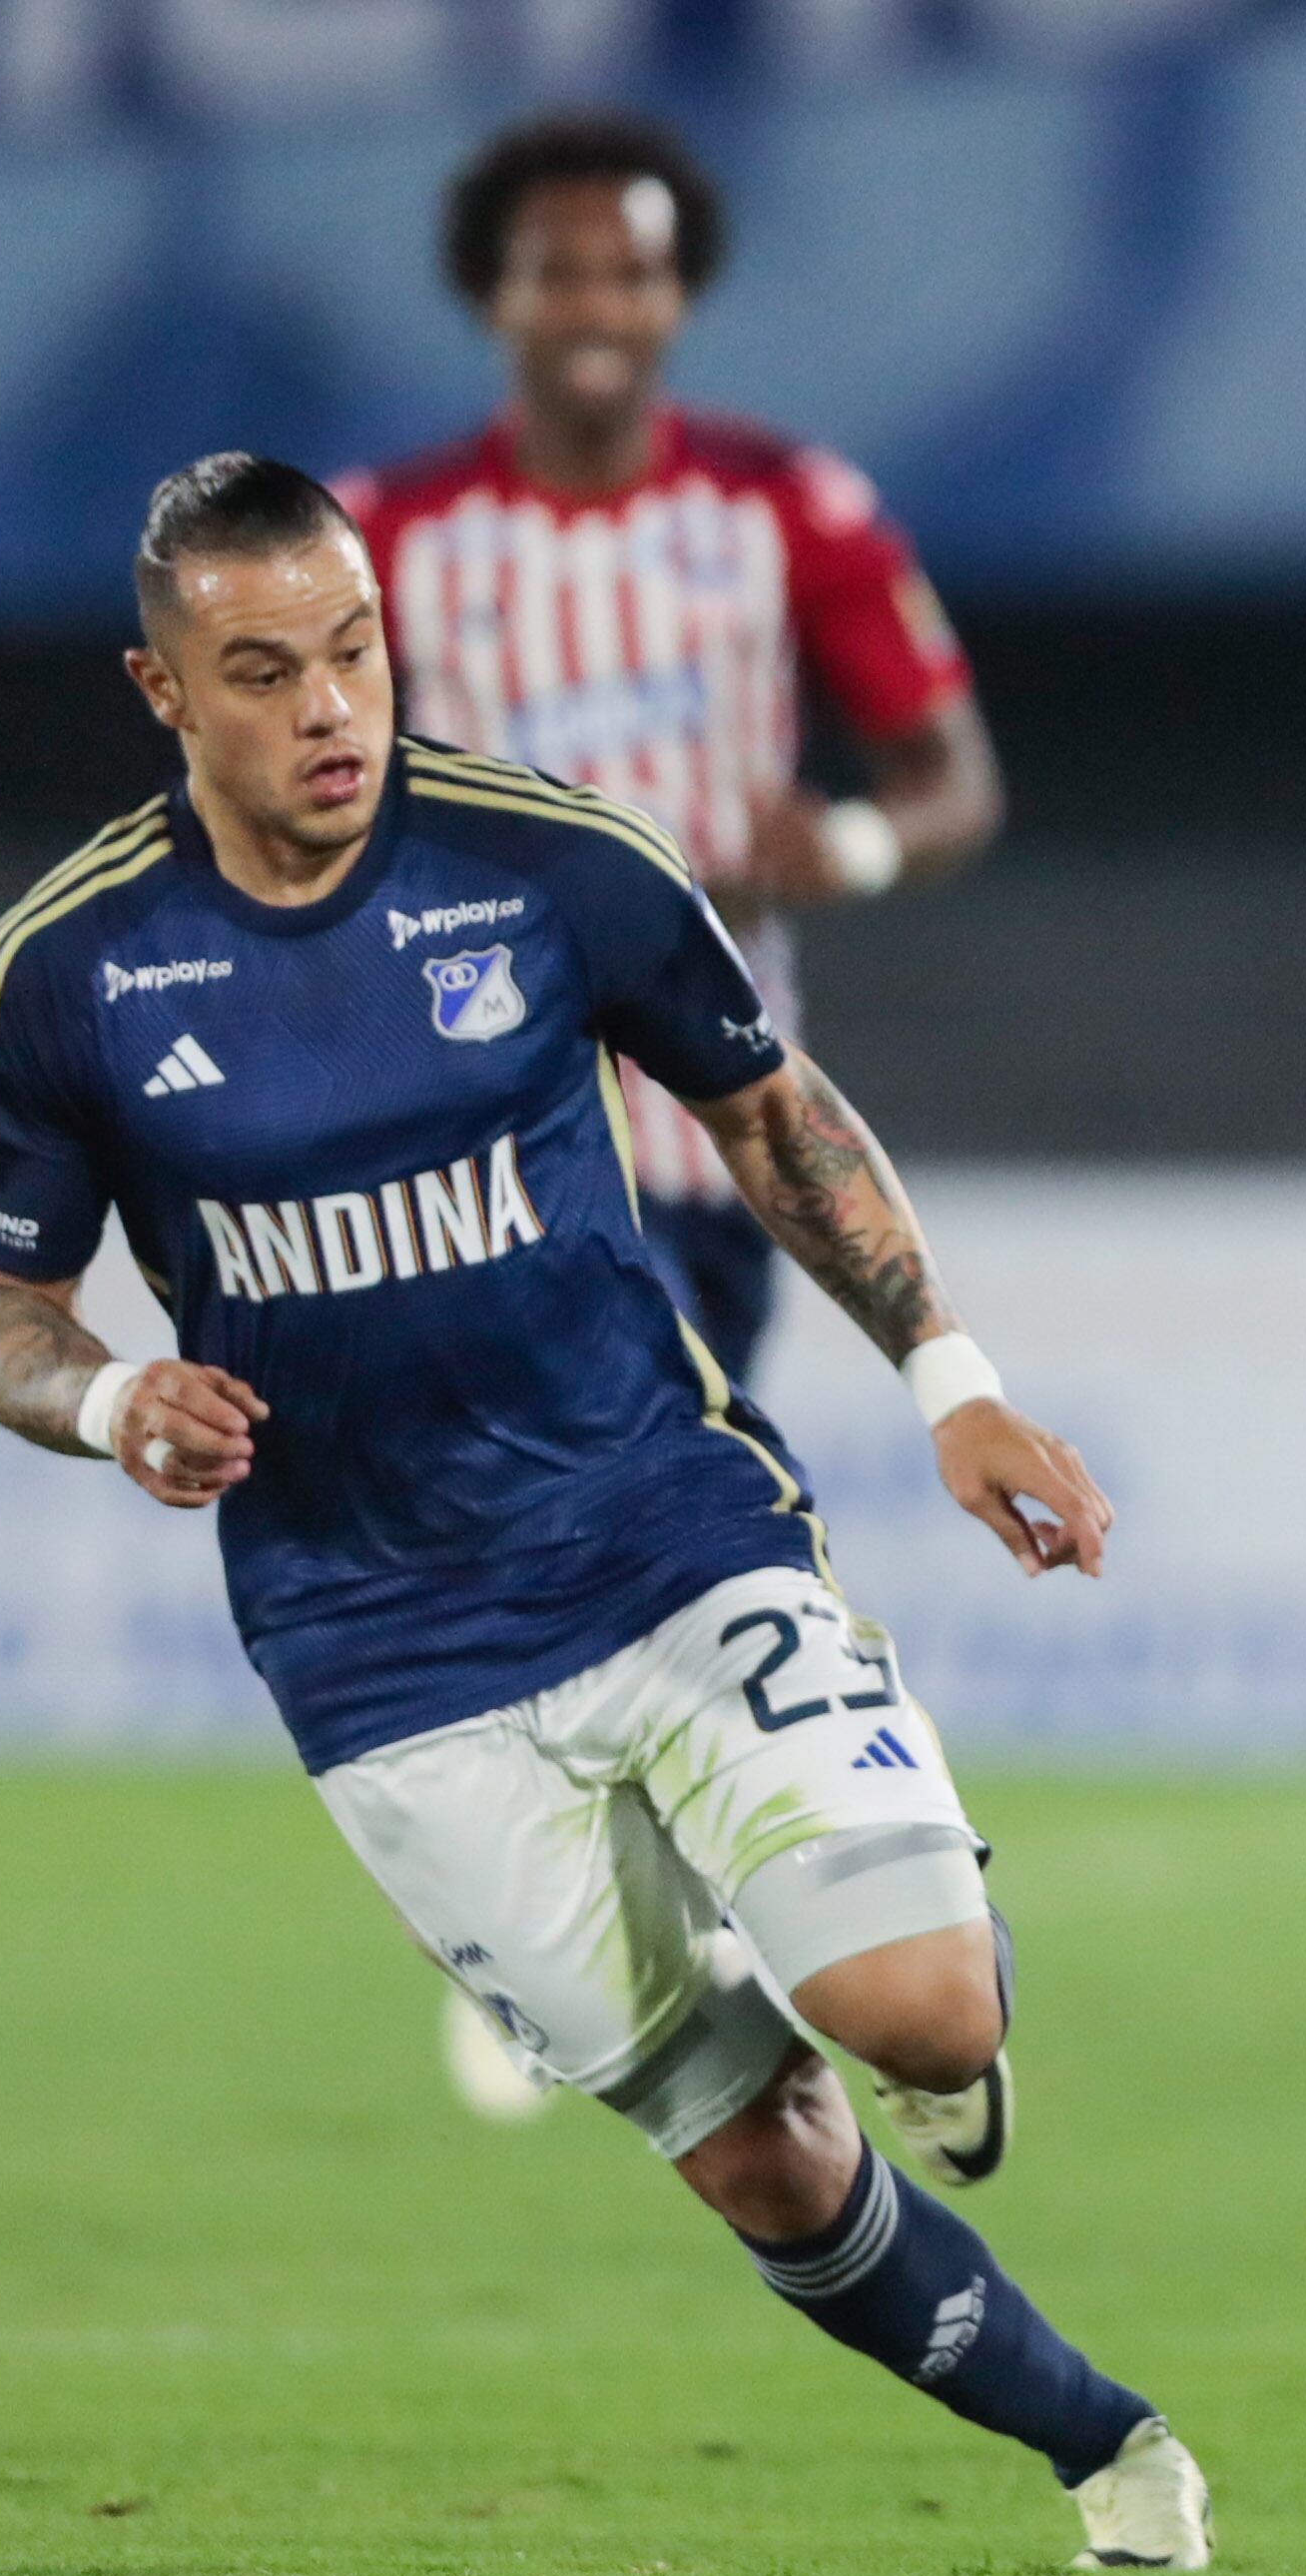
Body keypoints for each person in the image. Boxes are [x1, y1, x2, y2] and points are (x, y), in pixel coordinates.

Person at [0, 455, 1207, 2574]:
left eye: (352, 647)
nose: (330, 705)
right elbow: (0, 1311)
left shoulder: (542, 861)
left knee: (920, 2016)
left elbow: (769, 1108)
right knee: (762, 2154)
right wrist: (103, 1398)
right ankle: (1108, 2445)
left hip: (656, 1531)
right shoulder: (63, 970)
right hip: (378, 1646)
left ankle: (895, 1937)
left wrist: (951, 1380)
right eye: (264, 672)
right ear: (163, 691)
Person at [334, 109, 1005, 2120]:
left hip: (702, 1131)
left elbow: (952, 770)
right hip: (450, 1141)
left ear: (675, 290)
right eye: (558, 271)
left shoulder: (782, 508)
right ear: (496, 298)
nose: (595, 306)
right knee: (552, 1528)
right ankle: (741, 1906)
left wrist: (861, 842)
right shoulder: (388, 533)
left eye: (627, 267)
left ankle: (836, 1906)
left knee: (658, 1518)